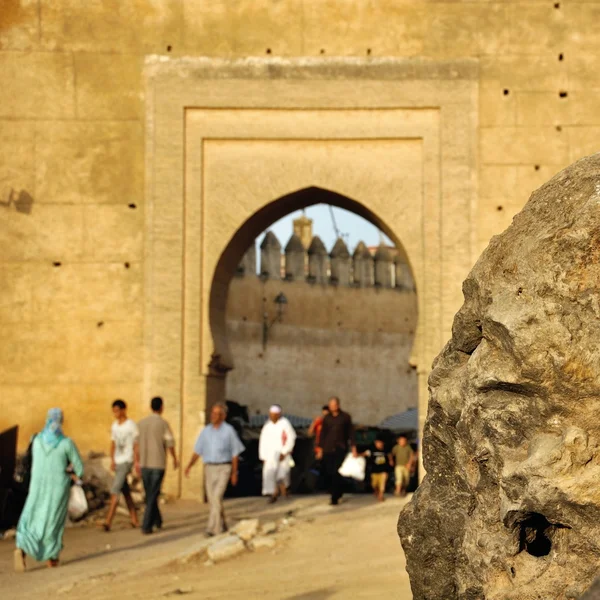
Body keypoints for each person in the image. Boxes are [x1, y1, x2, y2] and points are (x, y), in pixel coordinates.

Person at [14, 408, 83, 571]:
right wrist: (71, 473)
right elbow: (79, 468)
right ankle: (51, 558)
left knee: (31, 515)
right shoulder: (66, 443)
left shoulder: (36, 440)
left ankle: (22, 548)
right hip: (58, 488)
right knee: (53, 520)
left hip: (37, 487)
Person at [184, 403, 245, 537]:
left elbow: (235, 453)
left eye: (217, 414)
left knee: (217, 497)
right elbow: (198, 450)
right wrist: (189, 465)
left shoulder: (229, 431)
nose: (213, 416)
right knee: (213, 500)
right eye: (212, 413)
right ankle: (222, 524)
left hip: (224, 467)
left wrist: (234, 473)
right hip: (209, 468)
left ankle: (212, 529)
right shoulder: (206, 431)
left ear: (223, 416)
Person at [138, 396, 178, 535]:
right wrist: (174, 458)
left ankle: (157, 520)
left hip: (144, 463)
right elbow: (170, 442)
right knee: (152, 495)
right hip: (158, 463)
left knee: (150, 493)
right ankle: (146, 525)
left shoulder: (141, 423)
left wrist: (137, 461)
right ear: (161, 407)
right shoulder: (163, 424)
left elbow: (136, 444)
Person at [102, 399, 140, 532]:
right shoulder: (114, 426)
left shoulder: (131, 425)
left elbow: (136, 445)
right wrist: (112, 460)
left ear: (123, 410)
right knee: (125, 492)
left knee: (115, 490)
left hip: (126, 460)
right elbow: (113, 443)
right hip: (118, 460)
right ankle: (135, 519)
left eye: (117, 411)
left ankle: (108, 521)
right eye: (114, 411)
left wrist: (136, 462)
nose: (116, 414)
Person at [317, 396, 357, 506]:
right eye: (331, 405)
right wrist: (320, 449)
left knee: (336, 471)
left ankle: (335, 496)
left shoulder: (345, 417)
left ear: (338, 405)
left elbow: (351, 433)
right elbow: (323, 434)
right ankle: (337, 491)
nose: (332, 407)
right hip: (327, 448)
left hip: (340, 448)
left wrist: (353, 447)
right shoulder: (327, 418)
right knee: (329, 472)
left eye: (334, 405)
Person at [259, 405, 297, 503]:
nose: (272, 416)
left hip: (282, 454)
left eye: (274, 414)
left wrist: (284, 452)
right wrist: (263, 456)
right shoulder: (267, 425)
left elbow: (291, 438)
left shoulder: (285, 423)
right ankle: (274, 494)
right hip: (270, 455)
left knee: (282, 475)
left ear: (278, 414)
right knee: (271, 475)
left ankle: (285, 492)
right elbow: (263, 441)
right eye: (271, 414)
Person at [361, 435, 389, 502]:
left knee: (382, 483)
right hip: (374, 471)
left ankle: (381, 495)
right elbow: (365, 454)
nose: (379, 444)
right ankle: (376, 491)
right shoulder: (371, 450)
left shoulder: (385, 450)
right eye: (378, 443)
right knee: (374, 485)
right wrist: (358, 455)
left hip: (383, 471)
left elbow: (389, 455)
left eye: (381, 443)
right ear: (375, 443)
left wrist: (391, 461)